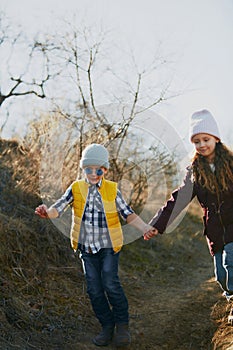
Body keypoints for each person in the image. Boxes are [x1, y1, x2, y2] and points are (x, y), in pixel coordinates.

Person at [35, 143, 155, 347]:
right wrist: (47, 212)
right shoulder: (76, 188)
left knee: (110, 283)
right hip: (86, 249)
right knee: (94, 289)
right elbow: (59, 207)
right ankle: (107, 327)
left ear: (105, 170)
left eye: (98, 169)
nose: (93, 173)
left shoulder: (112, 189)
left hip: (108, 247)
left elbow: (128, 214)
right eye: (88, 169)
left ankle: (122, 326)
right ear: (83, 169)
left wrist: (145, 228)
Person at [144, 109, 233, 324]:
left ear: (216, 139)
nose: (202, 145)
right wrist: (157, 224)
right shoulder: (195, 170)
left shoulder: (231, 164)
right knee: (221, 275)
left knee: (232, 262)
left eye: (206, 139)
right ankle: (230, 296)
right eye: (197, 141)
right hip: (214, 230)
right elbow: (179, 199)